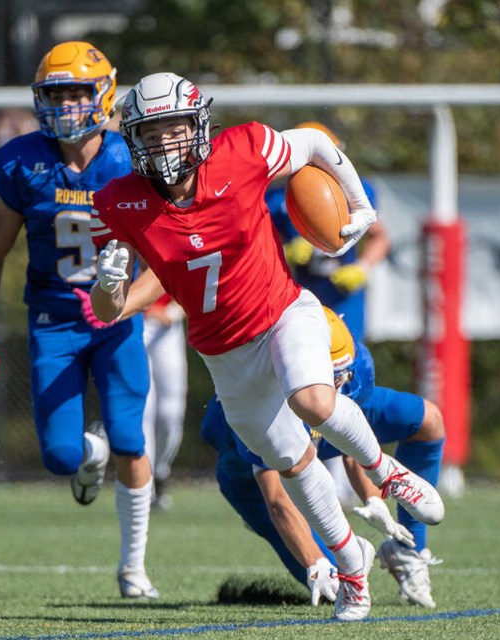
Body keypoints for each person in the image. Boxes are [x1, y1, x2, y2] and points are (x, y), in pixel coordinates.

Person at [88, 71, 444, 621]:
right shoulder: (119, 202)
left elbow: (317, 143)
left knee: (314, 402)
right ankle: (353, 568)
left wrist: (360, 206)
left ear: (199, 126)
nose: (164, 144)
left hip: (283, 312)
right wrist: (107, 285)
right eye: (151, 133)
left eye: (175, 129)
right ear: (133, 139)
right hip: (221, 351)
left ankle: (385, 471)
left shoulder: (243, 148)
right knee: (293, 464)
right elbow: (109, 310)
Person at [0, 41, 158, 600]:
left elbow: (167, 246)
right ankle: (89, 454)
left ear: (103, 93)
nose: (68, 104)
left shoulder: (132, 159)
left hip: (117, 318)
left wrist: (134, 299)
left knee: (129, 435)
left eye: (77, 92)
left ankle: (132, 567)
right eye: (56, 94)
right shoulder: (23, 161)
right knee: (60, 457)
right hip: (53, 318)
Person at [201, 307, 446, 608]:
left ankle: (409, 553)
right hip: (257, 484)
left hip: (311, 422)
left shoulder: (347, 372)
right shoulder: (259, 401)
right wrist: (317, 564)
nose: (341, 385)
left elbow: (354, 442)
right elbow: (278, 500)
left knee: (427, 420)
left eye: (342, 376)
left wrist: (374, 500)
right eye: (331, 378)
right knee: (334, 583)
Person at [266, 121, 389, 343]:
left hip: (344, 293)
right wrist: (284, 253)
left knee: (349, 360)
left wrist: (362, 269)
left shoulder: (357, 190)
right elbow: (259, 246)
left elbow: (379, 236)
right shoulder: (276, 199)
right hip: (299, 292)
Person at [141, 293, 187, 511]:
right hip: (135, 324)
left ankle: (160, 471)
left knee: (171, 415)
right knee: (144, 411)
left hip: (168, 327)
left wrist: (177, 309)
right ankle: (145, 484)